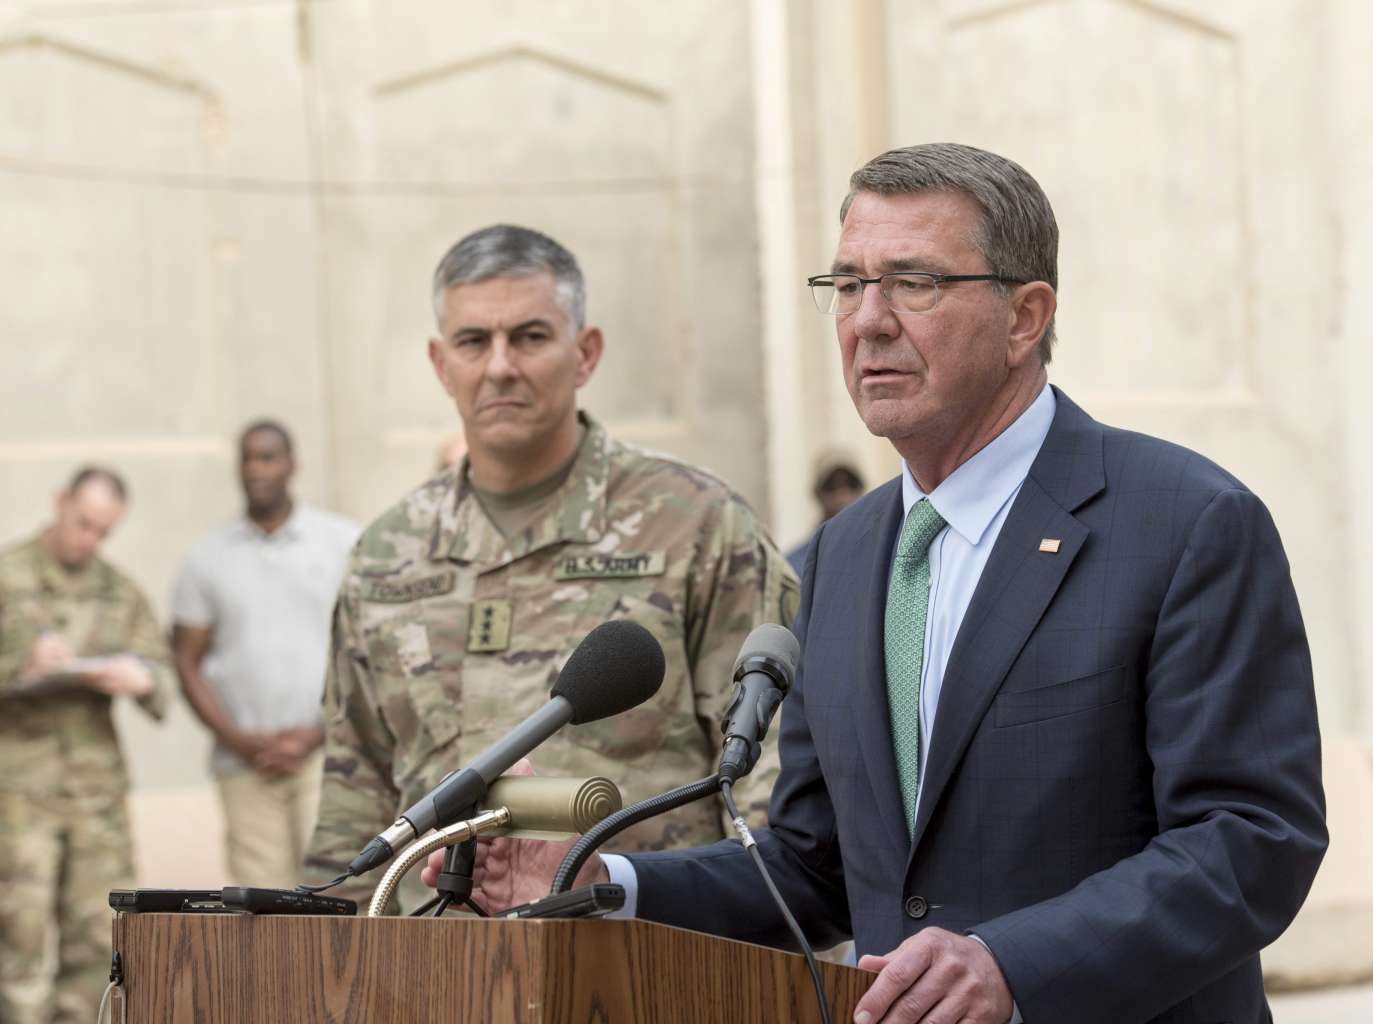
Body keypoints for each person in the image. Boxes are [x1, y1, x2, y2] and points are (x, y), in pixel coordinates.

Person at [447, 144, 1328, 1024]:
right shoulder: (837, 559)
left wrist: (1014, 968)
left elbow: (1252, 840)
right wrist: (602, 879)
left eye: (914, 284)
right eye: (847, 285)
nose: (867, 321)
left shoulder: (1183, 523)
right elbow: (816, 866)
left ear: (1025, 317)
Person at [303, 224, 798, 911]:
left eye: (530, 337)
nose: (500, 366)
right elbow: (353, 802)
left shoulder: (698, 525)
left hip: (638, 948)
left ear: (585, 353)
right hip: (436, 959)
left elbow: (770, 798)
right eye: (473, 341)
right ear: (441, 364)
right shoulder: (385, 555)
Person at [0, 467, 171, 1024]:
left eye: (103, 531)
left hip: (96, 797)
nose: (89, 540)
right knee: (17, 939)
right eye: (82, 523)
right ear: (59, 501)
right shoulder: (8, 577)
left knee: (99, 940)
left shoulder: (119, 592)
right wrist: (21, 666)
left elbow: (162, 680)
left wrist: (142, 679)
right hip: (18, 795)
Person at [170, 420, 360, 887]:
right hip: (244, 766)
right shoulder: (206, 557)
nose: (257, 469)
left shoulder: (342, 543)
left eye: (268, 457)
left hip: (327, 756)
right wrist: (237, 739)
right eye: (248, 458)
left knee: (332, 894)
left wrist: (318, 732)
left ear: (291, 464)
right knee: (258, 905)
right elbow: (186, 662)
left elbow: (368, 651)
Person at [785, 452, 866, 574]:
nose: (842, 495)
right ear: (817, 494)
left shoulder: (879, 552)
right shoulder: (796, 565)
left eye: (851, 484)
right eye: (832, 486)